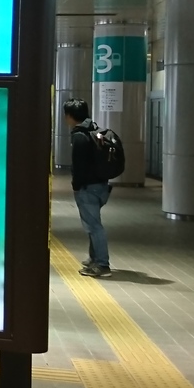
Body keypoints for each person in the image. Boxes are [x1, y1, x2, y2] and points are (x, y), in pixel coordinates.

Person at [65, 98, 112, 278]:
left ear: (70, 115)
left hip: (88, 187)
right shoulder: (94, 129)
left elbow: (79, 166)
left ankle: (102, 264)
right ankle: (94, 258)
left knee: (94, 227)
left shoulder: (79, 135)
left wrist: (76, 186)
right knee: (93, 224)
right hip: (101, 185)